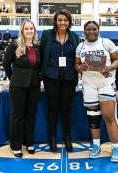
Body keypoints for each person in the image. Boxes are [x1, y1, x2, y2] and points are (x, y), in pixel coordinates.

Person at [75, 21, 118, 162]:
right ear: (84, 31)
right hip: (89, 84)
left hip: (105, 82)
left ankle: (114, 147)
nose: (91, 32)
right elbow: (76, 65)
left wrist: (109, 68)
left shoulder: (106, 42)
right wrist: (80, 67)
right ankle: (96, 146)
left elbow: (117, 60)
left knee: (108, 116)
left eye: (94, 29)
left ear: (98, 29)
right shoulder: (80, 46)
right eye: (88, 30)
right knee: (93, 118)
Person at [39, 10, 79, 153]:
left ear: (69, 22)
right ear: (55, 21)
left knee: (66, 109)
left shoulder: (75, 36)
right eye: (60, 20)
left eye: (66, 20)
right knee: (53, 109)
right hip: (51, 77)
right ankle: (52, 139)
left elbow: (78, 57)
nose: (63, 22)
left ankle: (68, 139)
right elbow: (42, 54)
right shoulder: (47, 34)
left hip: (69, 78)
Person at [3, 19, 41, 158]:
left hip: (34, 86)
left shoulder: (37, 46)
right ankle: (16, 145)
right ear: (22, 30)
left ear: (34, 31)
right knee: (18, 116)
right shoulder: (14, 45)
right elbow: (6, 65)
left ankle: (29, 142)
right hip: (18, 86)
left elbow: (38, 66)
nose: (29, 31)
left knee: (30, 115)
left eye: (31, 28)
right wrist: (13, 79)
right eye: (27, 29)